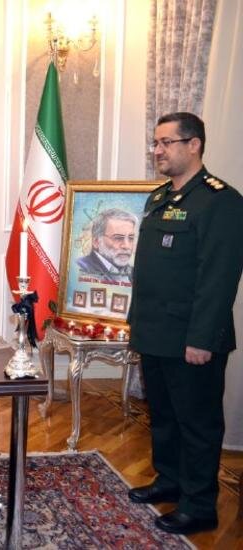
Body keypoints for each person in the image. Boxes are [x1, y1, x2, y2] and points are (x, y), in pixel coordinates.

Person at [127, 112, 243, 535]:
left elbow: (219, 277)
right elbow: (151, 270)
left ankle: (199, 505)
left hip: (192, 337)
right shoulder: (160, 198)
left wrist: (201, 338)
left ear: (194, 145)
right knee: (163, 415)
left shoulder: (220, 201)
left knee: (197, 423)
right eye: (155, 143)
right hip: (156, 331)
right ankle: (170, 480)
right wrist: (137, 324)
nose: (157, 150)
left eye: (166, 142)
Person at [76, 208, 137, 284]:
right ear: (96, 242)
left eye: (131, 238)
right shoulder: (80, 268)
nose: (127, 246)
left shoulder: (135, 272)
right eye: (118, 238)